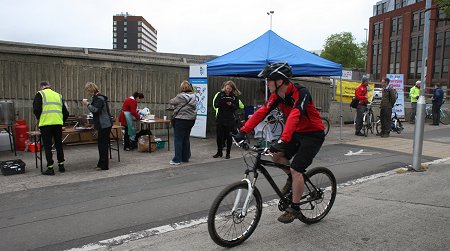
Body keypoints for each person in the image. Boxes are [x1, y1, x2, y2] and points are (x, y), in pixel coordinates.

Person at [233, 62, 325, 224]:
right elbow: (261, 112)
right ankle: (291, 179)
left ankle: (295, 208)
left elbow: (294, 116)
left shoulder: (300, 93)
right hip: (297, 132)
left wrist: (283, 140)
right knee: (276, 155)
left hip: (313, 134)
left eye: (269, 80)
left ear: (280, 81)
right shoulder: (277, 97)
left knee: (297, 168)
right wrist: (243, 131)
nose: (266, 83)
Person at [33, 81, 69, 175]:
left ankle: (50, 168)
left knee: (48, 146)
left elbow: (36, 109)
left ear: (41, 87)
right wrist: (61, 121)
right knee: (58, 145)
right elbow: (66, 112)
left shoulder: (39, 94)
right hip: (57, 124)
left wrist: (39, 119)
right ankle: (61, 166)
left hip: (46, 124)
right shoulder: (58, 95)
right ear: (49, 86)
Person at [82, 82, 113, 170]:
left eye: (88, 91)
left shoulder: (99, 98)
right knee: (101, 144)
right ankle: (101, 164)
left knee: (102, 145)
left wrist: (87, 104)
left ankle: (104, 165)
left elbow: (95, 110)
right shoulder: (98, 97)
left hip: (104, 124)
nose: (87, 93)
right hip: (104, 123)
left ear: (90, 90)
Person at [212, 80, 244, 159]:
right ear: (224, 87)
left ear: (232, 89)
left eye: (229, 89)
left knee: (229, 136)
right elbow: (215, 105)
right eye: (227, 88)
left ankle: (228, 153)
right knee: (219, 136)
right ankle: (219, 152)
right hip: (220, 118)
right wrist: (222, 102)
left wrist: (231, 104)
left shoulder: (234, 96)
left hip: (230, 119)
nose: (228, 90)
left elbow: (236, 107)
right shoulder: (220, 94)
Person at [168, 80, 197, 165]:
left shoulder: (180, 96)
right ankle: (185, 157)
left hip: (181, 120)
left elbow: (171, 101)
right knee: (186, 138)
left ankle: (177, 159)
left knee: (178, 139)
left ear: (182, 88)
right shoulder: (194, 96)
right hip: (191, 120)